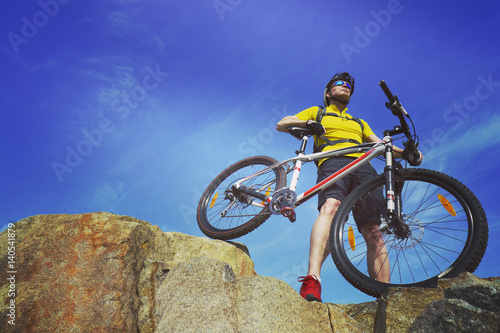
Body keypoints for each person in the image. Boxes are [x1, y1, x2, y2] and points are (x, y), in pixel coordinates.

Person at [276, 72, 409, 302]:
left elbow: (377, 143)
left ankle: (384, 294)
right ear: (329, 93)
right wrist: (308, 123)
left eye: (348, 85)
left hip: (363, 165)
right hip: (333, 160)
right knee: (331, 207)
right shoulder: (318, 111)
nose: (345, 86)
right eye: (339, 84)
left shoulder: (358, 122)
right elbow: (282, 124)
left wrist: (406, 153)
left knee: (373, 228)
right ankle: (312, 278)